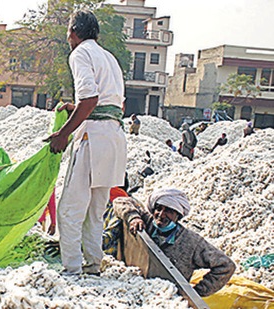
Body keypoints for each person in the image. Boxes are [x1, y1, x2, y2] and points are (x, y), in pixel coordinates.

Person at [44, 10, 127, 276]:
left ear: (74, 32)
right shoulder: (109, 57)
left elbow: (90, 100)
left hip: (92, 138)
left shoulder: (79, 53)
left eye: (69, 32)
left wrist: (63, 134)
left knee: (70, 210)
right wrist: (76, 107)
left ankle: (71, 269)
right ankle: (93, 265)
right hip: (113, 138)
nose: (68, 38)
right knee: (95, 211)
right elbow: (112, 103)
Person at [113, 188, 236, 297]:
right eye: (158, 209)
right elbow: (120, 201)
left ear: (178, 215)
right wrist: (133, 217)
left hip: (165, 298)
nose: (161, 215)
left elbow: (226, 266)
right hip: (133, 287)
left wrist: (197, 292)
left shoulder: (191, 242)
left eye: (169, 211)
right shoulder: (147, 222)